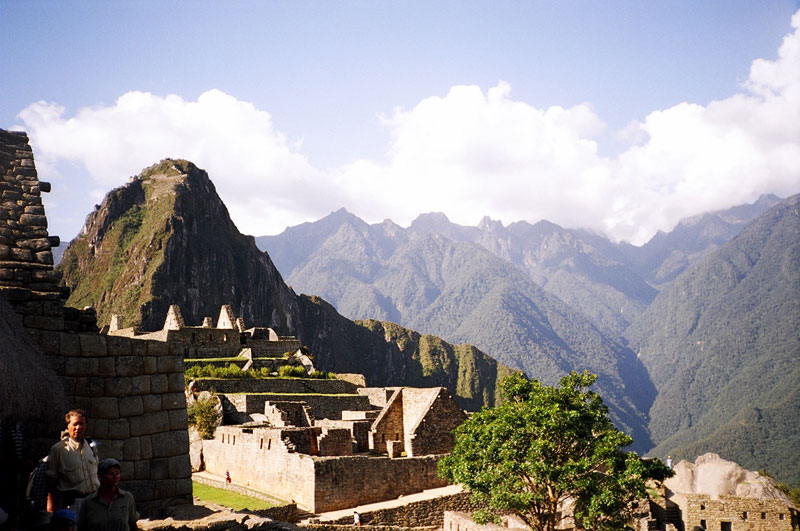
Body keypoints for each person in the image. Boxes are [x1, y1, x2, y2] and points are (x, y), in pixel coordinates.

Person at [46, 410, 99, 513]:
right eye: (75, 424)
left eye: (81, 424)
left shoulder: (91, 446)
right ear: (68, 425)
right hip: (72, 504)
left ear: (86, 425)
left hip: (93, 502)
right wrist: (51, 506)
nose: (78, 427)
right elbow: (51, 480)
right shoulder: (59, 449)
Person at [78, 459, 138, 531]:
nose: (115, 477)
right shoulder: (88, 502)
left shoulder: (127, 498)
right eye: (111, 474)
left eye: (117, 473)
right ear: (100, 477)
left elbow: (133, 525)